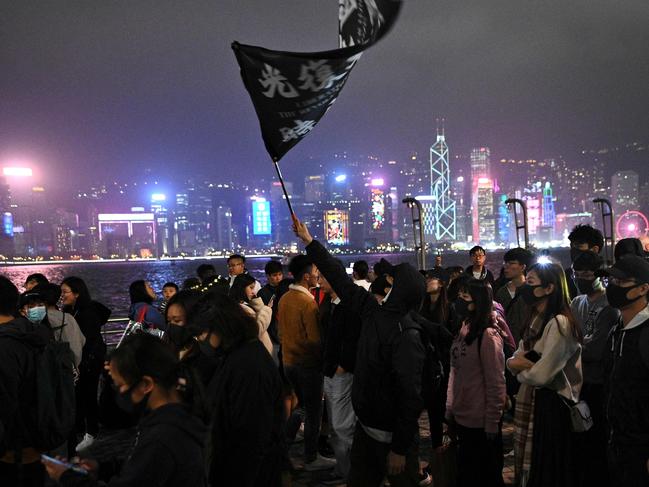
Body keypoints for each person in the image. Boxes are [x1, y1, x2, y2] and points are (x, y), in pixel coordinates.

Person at [294, 217, 426, 487]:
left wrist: (400, 448)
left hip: (392, 437)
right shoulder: (372, 312)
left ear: (398, 291)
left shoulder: (406, 336)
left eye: (389, 280)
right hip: (367, 428)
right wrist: (309, 242)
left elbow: (410, 396)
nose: (381, 282)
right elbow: (341, 281)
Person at [43, 332, 208, 487]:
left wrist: (67, 477)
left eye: (121, 385)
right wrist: (104, 468)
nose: (120, 393)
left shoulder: (163, 437)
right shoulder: (176, 418)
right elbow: (145, 468)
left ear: (146, 384)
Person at [190, 292, 285, 486]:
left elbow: (251, 437)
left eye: (202, 333)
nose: (200, 339)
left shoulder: (249, 365)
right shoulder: (237, 354)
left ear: (222, 327)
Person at [506, 261, 582, 487]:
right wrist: (519, 364)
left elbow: (541, 374)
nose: (525, 288)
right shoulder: (535, 320)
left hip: (553, 405)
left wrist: (520, 368)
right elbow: (515, 359)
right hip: (535, 400)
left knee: (548, 469)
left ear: (549, 288)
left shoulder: (560, 324)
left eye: (530, 283)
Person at [446, 278, 506, 487]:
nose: (459, 301)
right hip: (462, 415)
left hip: (481, 420)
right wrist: (450, 408)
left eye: (465, 297)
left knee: (484, 475)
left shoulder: (488, 336)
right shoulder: (463, 329)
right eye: (459, 295)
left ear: (478, 301)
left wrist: (492, 421)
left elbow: (496, 382)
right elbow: (455, 371)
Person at [277, 254, 333, 471]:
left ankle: (281, 447)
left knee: (301, 408)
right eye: (316, 272)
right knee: (313, 412)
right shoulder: (307, 303)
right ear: (307, 277)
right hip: (307, 365)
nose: (318, 275)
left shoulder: (284, 299)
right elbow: (314, 340)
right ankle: (311, 457)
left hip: (288, 362)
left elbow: (281, 332)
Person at [569, 251, 619, 486]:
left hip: (597, 384)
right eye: (577, 274)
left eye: (587, 274)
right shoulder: (577, 302)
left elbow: (597, 350)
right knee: (579, 442)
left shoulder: (610, 305)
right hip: (575, 383)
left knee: (596, 440)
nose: (581, 278)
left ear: (599, 275)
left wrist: (572, 348)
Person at [599, 255, 649, 487]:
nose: (613, 288)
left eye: (621, 282)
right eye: (611, 282)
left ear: (643, 288)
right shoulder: (616, 329)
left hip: (639, 448)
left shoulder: (645, 333)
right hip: (615, 441)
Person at [0, 276, 49, 486]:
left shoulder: (4, 346)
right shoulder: (31, 333)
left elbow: (4, 404)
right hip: (36, 438)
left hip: (11, 451)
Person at [318, 271, 362, 483]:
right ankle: (343, 468)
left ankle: (350, 472)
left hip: (340, 372)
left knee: (342, 424)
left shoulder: (347, 306)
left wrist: (342, 365)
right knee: (336, 424)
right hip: (331, 369)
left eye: (324, 277)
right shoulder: (330, 303)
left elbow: (352, 338)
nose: (319, 281)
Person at [61, 276, 111, 453]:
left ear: (77, 293)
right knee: (80, 395)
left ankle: (92, 432)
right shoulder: (70, 310)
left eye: (65, 292)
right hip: (80, 360)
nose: (62, 295)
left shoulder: (87, 312)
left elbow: (88, 340)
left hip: (89, 360)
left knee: (88, 394)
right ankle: (82, 428)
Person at [35, 283, 86, 368]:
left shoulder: (37, 318)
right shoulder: (68, 318)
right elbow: (81, 341)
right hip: (68, 370)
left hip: (46, 370)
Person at [495, 248, 533, 344]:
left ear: (523, 267)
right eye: (505, 263)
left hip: (528, 342)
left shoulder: (532, 291)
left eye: (511, 263)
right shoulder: (501, 292)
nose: (506, 267)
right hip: (506, 342)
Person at [230, 273, 273, 355]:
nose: (253, 292)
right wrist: (267, 310)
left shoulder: (241, 305)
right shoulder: (242, 309)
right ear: (242, 288)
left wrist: (257, 303)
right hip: (258, 354)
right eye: (251, 288)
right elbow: (257, 330)